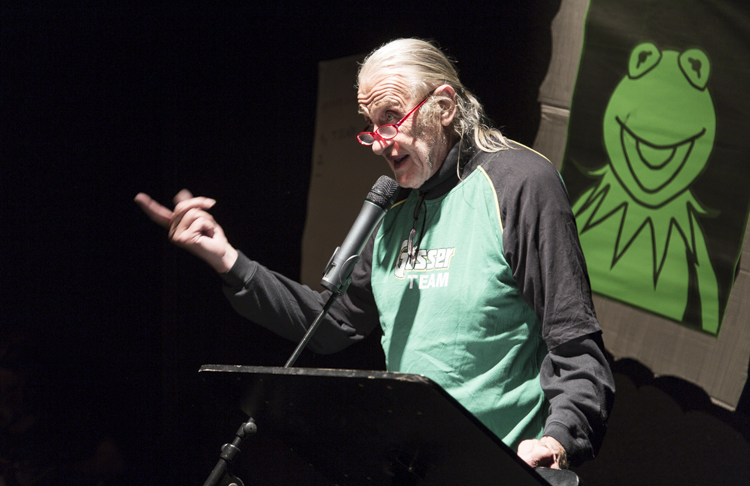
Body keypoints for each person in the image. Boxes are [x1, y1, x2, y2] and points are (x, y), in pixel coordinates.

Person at [135, 38, 614, 470]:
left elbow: (574, 342)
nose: (379, 142)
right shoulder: (395, 209)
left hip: (502, 467)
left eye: (391, 117)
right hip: (412, 470)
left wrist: (558, 439)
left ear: (444, 106)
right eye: (370, 125)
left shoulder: (520, 183)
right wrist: (226, 258)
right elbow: (330, 324)